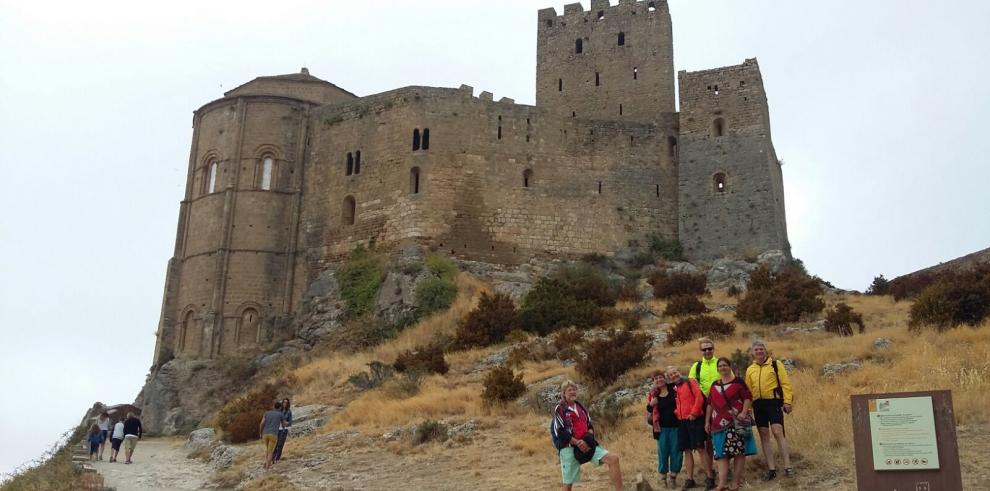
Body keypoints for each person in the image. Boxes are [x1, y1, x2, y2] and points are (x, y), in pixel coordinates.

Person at [550, 380, 623, 491]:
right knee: (568, 483)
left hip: (587, 444)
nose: (573, 392)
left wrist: (586, 440)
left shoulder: (582, 408)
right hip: (568, 448)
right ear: (563, 393)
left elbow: (590, 426)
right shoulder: (560, 409)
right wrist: (577, 442)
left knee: (613, 459)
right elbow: (560, 432)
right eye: (569, 390)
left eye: (574, 389)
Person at [744, 340, 794, 481]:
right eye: (756, 350)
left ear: (765, 351)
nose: (759, 351)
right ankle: (771, 469)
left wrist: (788, 401)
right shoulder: (750, 369)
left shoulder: (775, 364)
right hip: (758, 405)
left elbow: (785, 384)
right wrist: (747, 409)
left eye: (761, 349)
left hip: (773, 402)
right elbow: (748, 391)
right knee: (764, 435)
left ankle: (788, 466)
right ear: (752, 353)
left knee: (778, 432)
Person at [706, 357, 758, 491]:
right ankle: (721, 484)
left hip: (734, 423)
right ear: (717, 369)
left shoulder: (738, 382)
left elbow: (747, 397)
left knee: (738, 453)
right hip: (717, 425)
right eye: (720, 366)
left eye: (725, 365)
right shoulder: (714, 385)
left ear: (730, 367)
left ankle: (735, 483)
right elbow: (710, 404)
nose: (722, 368)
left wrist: (744, 412)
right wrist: (707, 421)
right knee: (721, 455)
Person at [667, 366, 715, 490]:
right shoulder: (675, 388)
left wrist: (694, 413)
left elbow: (699, 397)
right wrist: (677, 412)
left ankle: (710, 477)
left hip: (695, 419)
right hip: (682, 421)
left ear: (679, 372)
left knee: (700, 448)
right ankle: (690, 479)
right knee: (686, 450)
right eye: (671, 374)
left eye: (675, 372)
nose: (674, 375)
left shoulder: (690, 382)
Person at [647, 371, 681, 488]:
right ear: (654, 381)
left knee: (676, 452)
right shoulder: (654, 393)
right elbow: (649, 409)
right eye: (656, 378)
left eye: (660, 377)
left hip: (676, 426)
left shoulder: (674, 389)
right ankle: (662, 477)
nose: (659, 380)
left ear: (664, 378)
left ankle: (673, 477)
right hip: (661, 428)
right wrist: (651, 404)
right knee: (663, 452)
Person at [260, 401, 285, 470]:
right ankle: (267, 469)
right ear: (280, 408)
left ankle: (265, 463)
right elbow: (283, 424)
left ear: (274, 407)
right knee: (271, 452)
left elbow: (262, 423)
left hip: (265, 434)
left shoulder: (266, 413)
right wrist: (283, 429)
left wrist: (260, 432)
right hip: (273, 434)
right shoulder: (280, 414)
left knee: (268, 449)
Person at [272, 398, 293, 463]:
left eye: (286, 403)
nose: (285, 404)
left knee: (280, 444)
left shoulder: (289, 411)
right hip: (277, 429)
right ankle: (272, 458)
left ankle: (277, 458)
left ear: (288, 404)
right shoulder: (278, 410)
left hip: (284, 430)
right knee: (275, 444)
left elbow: (290, 422)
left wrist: (286, 423)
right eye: (284, 402)